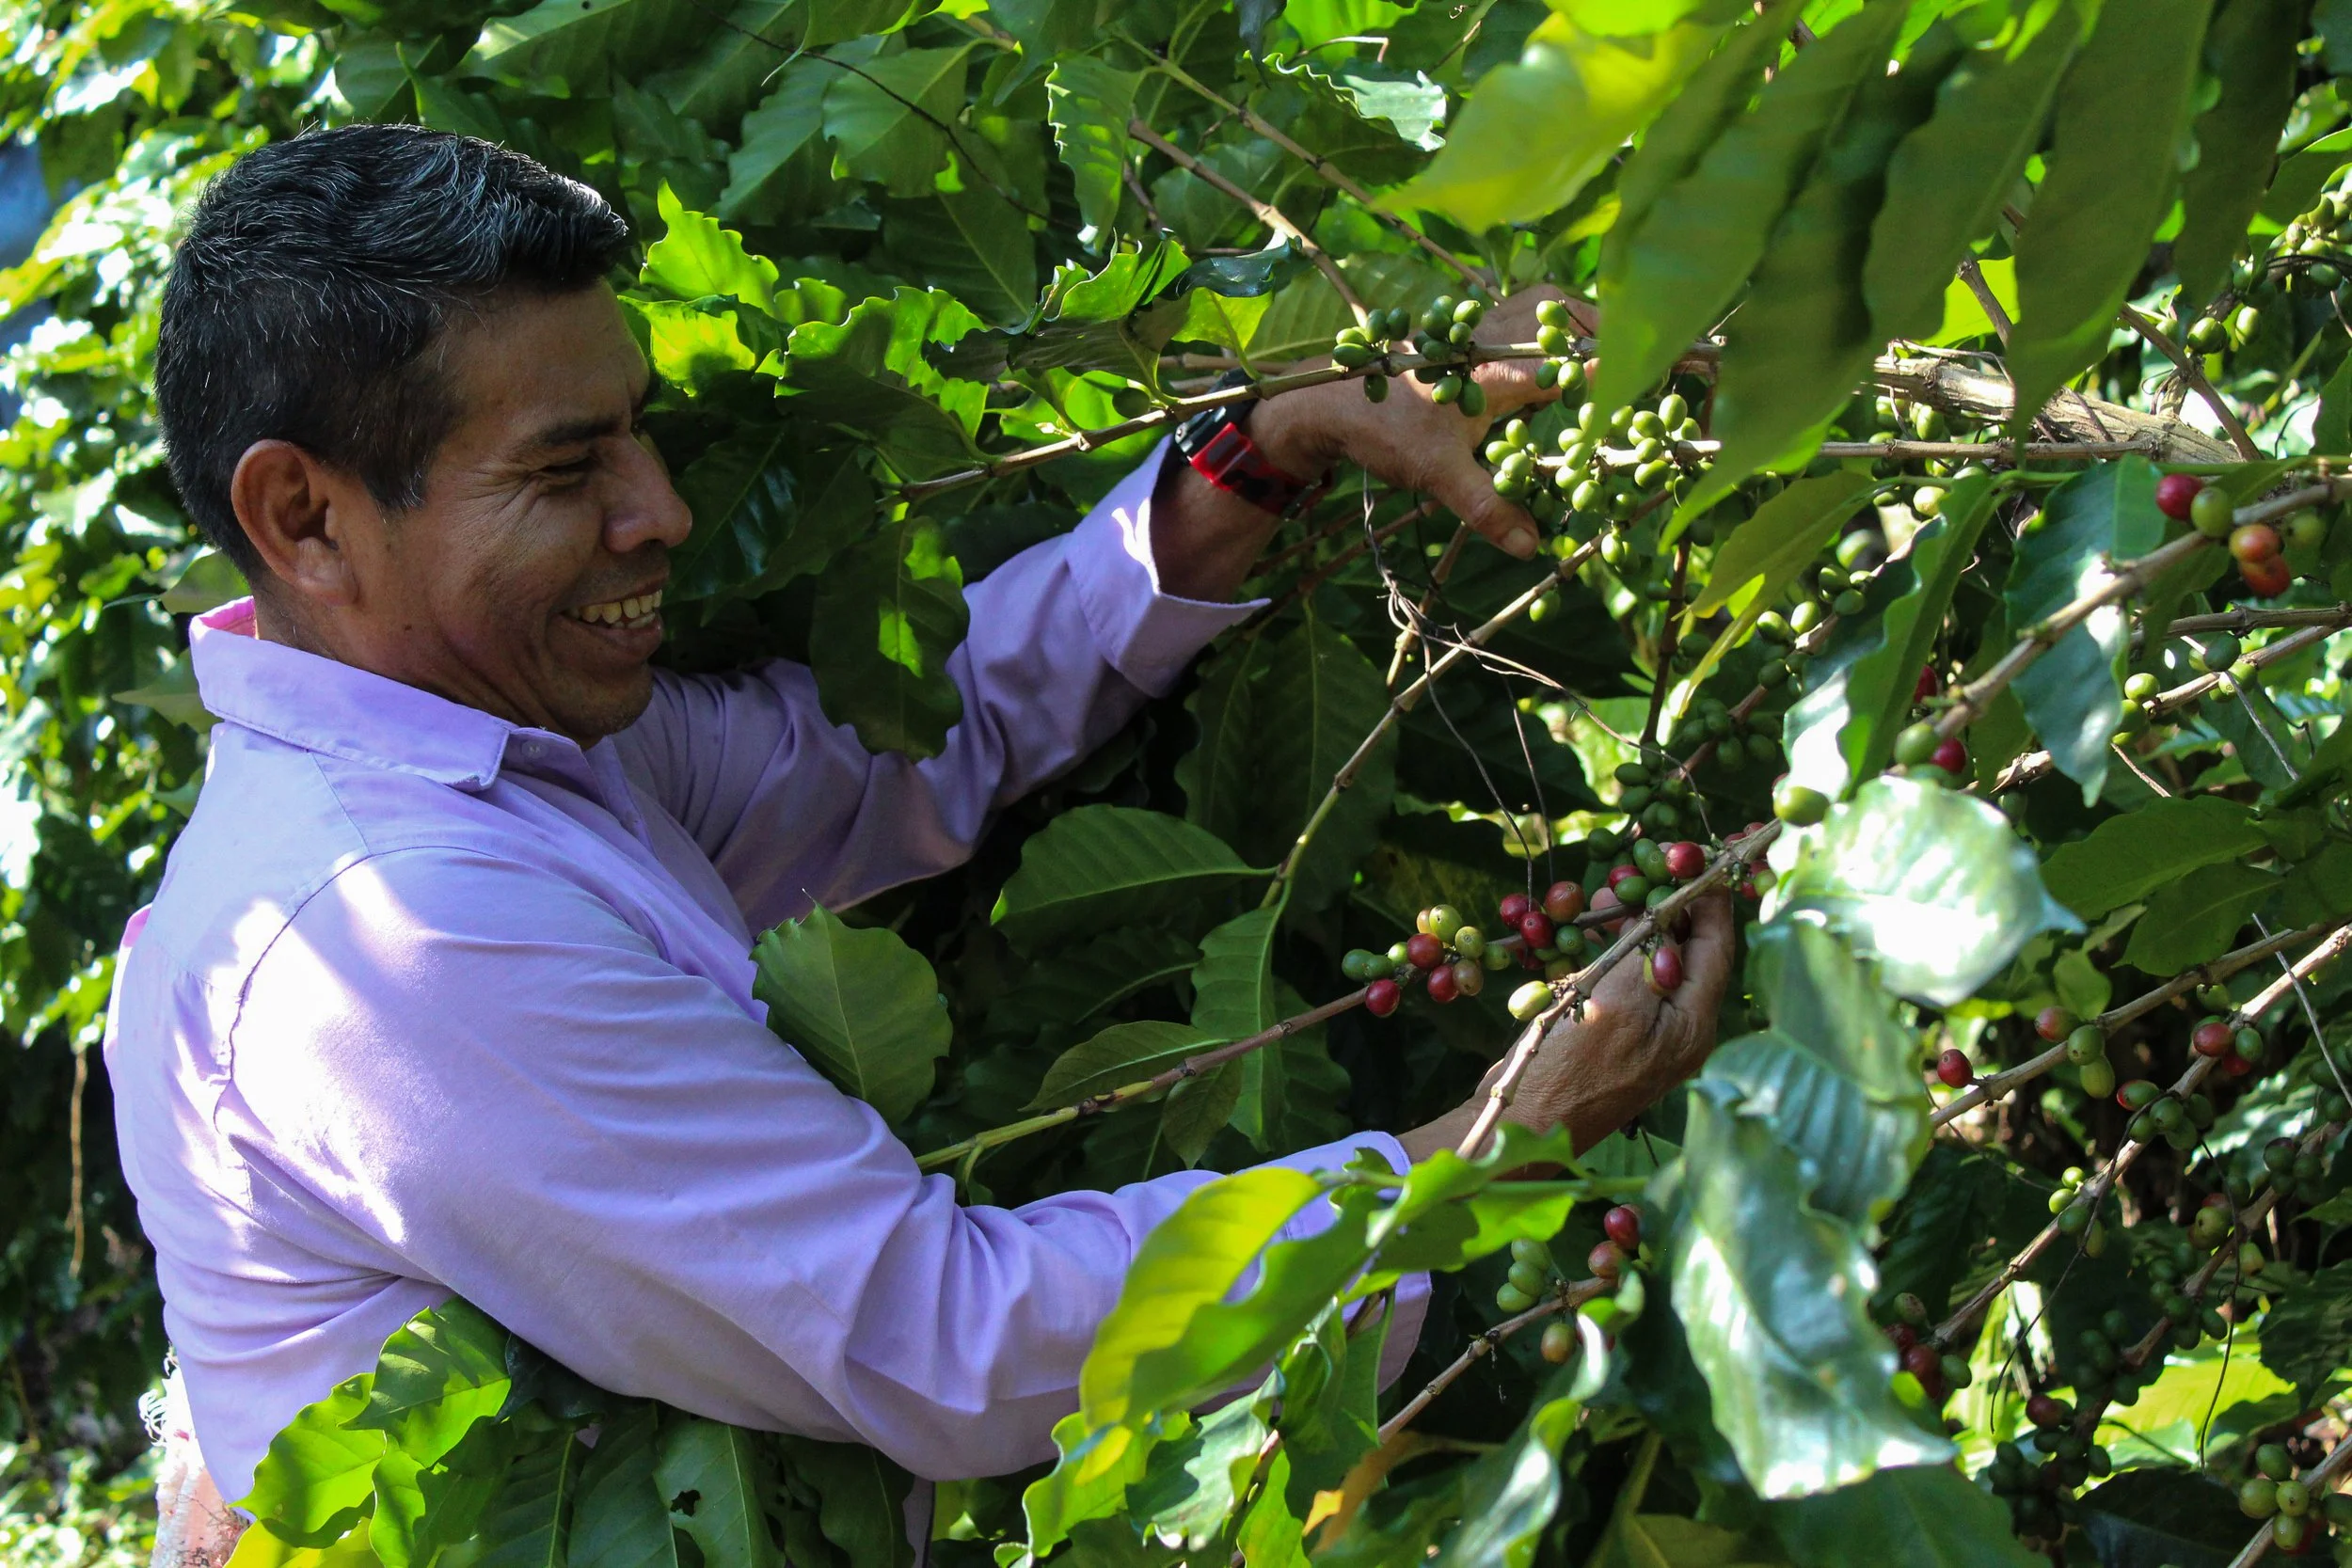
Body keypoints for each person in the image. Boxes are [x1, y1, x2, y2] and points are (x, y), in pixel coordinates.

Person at [103, 124, 1736, 1536]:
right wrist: (1488, 1147)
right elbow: (950, 1338)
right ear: (305, 519)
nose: (661, 508)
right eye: (565, 466)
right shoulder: (394, 937)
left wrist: (1261, 447)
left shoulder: (503, 747)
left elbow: (880, 755)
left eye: (641, 430)